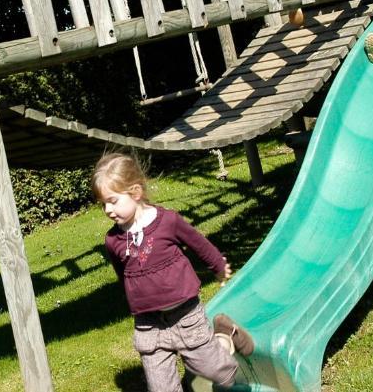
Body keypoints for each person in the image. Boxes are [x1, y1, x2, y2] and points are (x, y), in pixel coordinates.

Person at [93, 152, 254, 392]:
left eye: (113, 201)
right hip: (149, 325)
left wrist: (219, 267)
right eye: (102, 203)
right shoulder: (113, 240)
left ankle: (226, 335)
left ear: (135, 192)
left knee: (215, 369)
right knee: (161, 388)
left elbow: (198, 243)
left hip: (185, 315)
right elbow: (122, 273)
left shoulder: (167, 221)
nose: (107, 209)